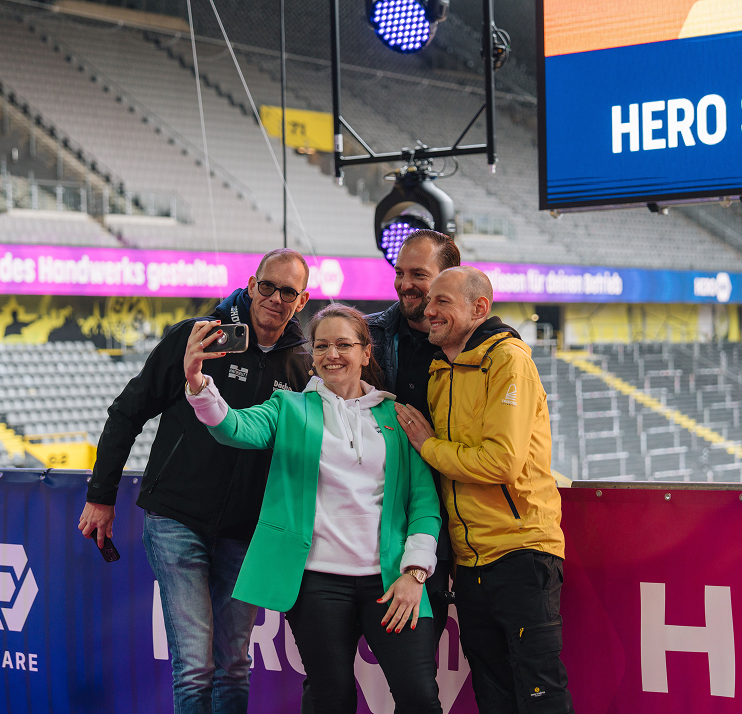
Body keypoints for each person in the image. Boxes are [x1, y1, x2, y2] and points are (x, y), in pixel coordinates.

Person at [78, 248, 314, 714]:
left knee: (233, 666)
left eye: (288, 291)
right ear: (251, 285)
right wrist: (101, 496)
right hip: (176, 521)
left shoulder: (303, 365)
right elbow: (128, 412)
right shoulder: (197, 336)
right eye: (268, 286)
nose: (275, 298)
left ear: (302, 301)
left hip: (245, 533)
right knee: (194, 667)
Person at [184, 303, 442, 714]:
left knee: (419, 697)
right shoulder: (289, 408)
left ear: (366, 352)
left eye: (343, 344)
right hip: (317, 583)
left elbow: (424, 503)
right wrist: (199, 384)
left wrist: (415, 572)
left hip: (392, 582)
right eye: (322, 346)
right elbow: (233, 427)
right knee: (329, 697)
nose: (332, 354)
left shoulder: (396, 415)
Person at [395, 267, 573, 714]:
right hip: (470, 564)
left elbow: (501, 462)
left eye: (443, 302)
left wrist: (428, 446)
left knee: (540, 696)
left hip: (522, 555)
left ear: (479, 309)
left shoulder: (509, 359)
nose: (429, 311)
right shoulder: (440, 370)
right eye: (429, 300)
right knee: (494, 699)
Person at [367, 229, 461, 646]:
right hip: (365, 525)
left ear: (448, 278)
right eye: (400, 272)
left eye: (418, 274)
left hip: (439, 526)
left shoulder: (476, 349)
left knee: (417, 673)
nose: (405, 283)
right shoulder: (366, 336)